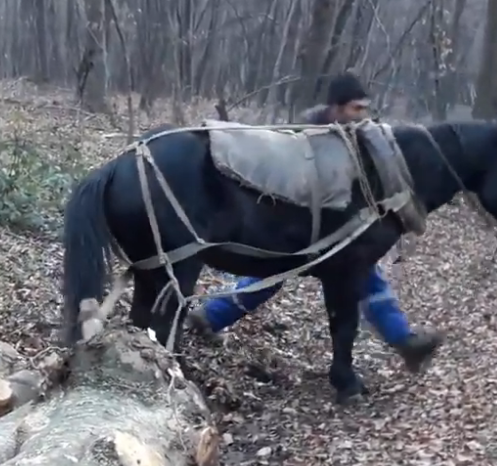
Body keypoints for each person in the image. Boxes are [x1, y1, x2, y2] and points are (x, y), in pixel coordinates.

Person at [187, 72, 444, 374]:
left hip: (333, 232)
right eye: (355, 108)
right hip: (297, 227)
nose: (363, 115)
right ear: (336, 108)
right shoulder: (312, 135)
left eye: (365, 108)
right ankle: (399, 342)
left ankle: (211, 317)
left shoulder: (359, 137)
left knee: (365, 275)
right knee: (279, 277)